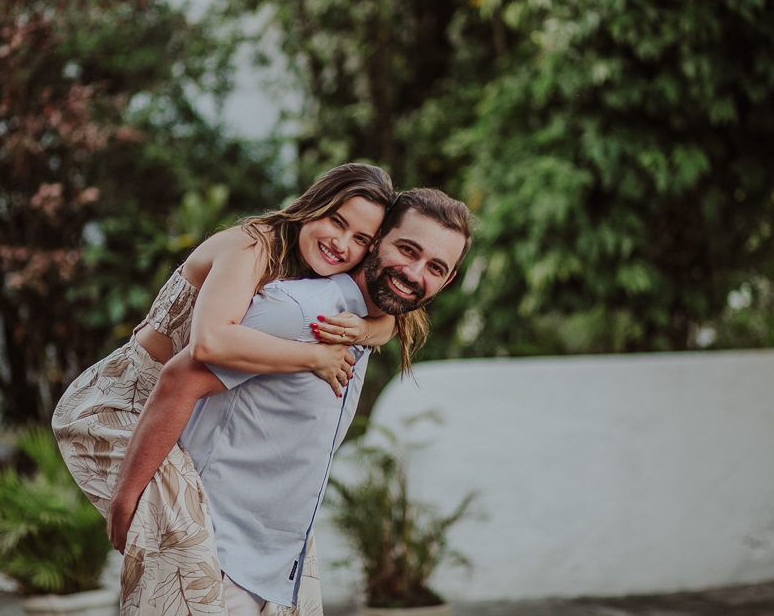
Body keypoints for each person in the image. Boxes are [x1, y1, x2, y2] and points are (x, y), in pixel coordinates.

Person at [53, 163, 406, 613]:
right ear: (313, 205)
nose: (342, 244)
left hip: (171, 413)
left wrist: (365, 329)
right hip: (116, 406)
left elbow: (392, 319)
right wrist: (315, 356)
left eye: (361, 240)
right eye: (337, 221)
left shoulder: (311, 275)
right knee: (189, 559)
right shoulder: (254, 244)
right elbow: (210, 342)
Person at [105, 188, 473, 616]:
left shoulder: (367, 326)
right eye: (407, 249)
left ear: (445, 282)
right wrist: (127, 500)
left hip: (278, 576)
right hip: (211, 565)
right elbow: (178, 379)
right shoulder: (300, 312)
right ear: (377, 243)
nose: (414, 272)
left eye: (435, 268)